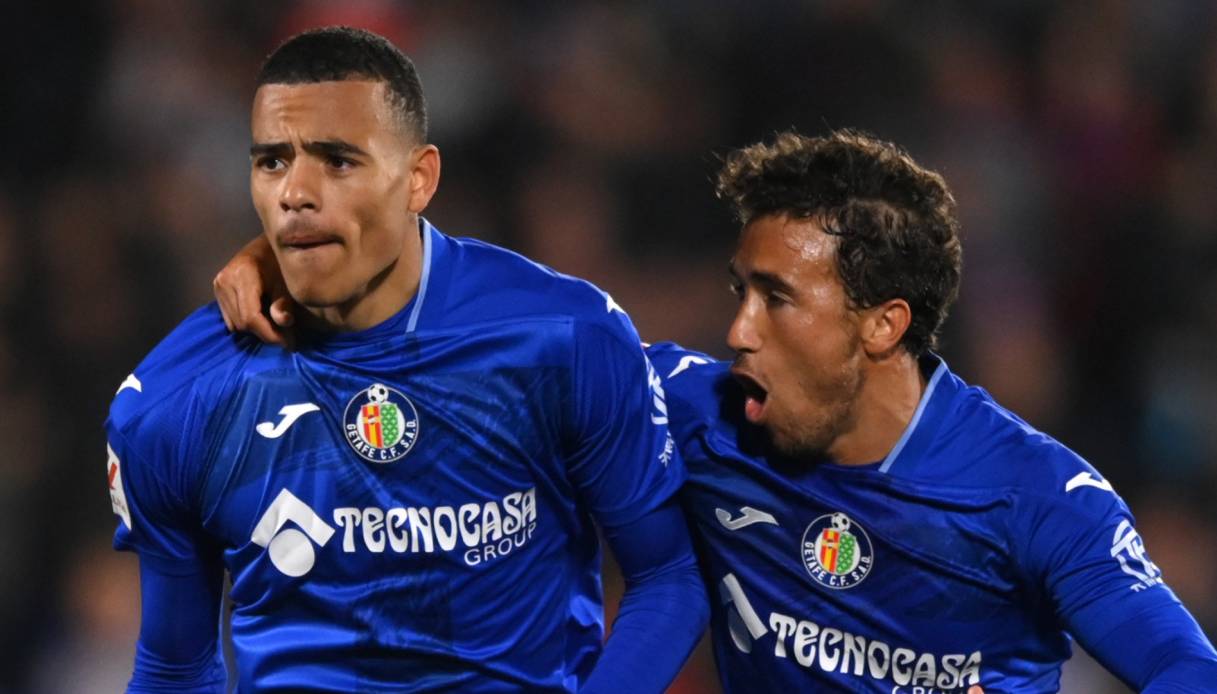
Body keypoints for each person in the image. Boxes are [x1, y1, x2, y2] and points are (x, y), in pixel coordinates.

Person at [219, 128, 1217, 692]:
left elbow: (1177, 663)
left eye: (776, 299)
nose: (736, 329)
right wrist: (308, 261)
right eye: (740, 291)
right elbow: (501, 332)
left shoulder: (1033, 495)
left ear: (881, 325)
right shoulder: (699, 411)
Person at [107, 26, 707, 692]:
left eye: (337, 161)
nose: (295, 192)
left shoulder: (562, 342)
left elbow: (668, 576)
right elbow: (174, 666)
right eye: (272, 161)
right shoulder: (176, 398)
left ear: (419, 179)